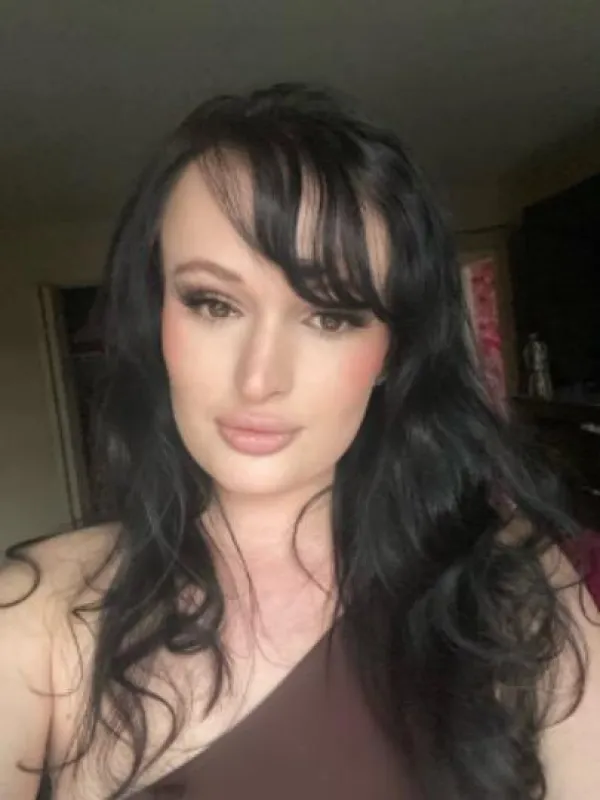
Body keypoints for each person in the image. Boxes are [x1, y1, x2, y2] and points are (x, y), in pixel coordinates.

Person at [1, 83, 599, 800]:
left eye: (330, 316)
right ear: (156, 318)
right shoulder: (37, 618)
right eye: (213, 304)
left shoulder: (515, 593)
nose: (259, 379)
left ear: (394, 352)